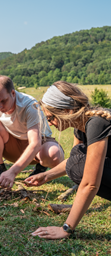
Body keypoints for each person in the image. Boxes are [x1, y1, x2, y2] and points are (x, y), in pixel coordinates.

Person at [26, 81, 111, 239]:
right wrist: (46, 176)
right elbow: (75, 161)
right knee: (76, 156)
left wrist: (66, 228)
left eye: (51, 117)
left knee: (77, 162)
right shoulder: (81, 126)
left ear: (66, 110)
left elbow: (90, 182)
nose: (50, 123)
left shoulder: (97, 123)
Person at [0, 75, 64, 187]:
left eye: (3, 101)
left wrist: (13, 172)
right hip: (12, 147)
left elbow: (35, 143)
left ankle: (41, 168)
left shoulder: (29, 105)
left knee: (54, 155)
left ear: (13, 93)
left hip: (38, 149)